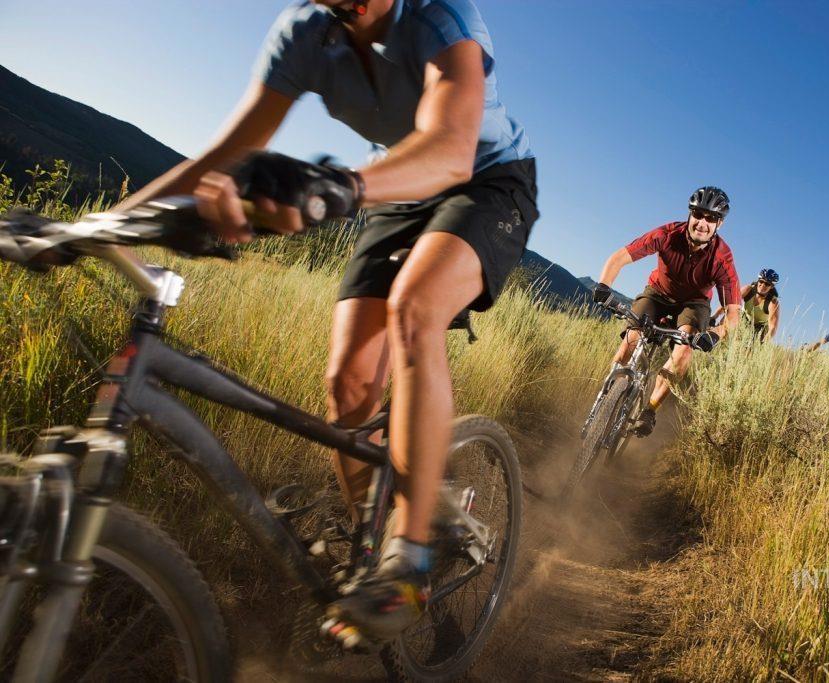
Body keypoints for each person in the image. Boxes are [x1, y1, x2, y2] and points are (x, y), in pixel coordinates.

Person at [113, 0, 538, 645]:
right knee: (348, 384)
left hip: (485, 182)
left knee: (414, 309)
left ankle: (408, 564)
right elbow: (228, 151)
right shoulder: (305, 33)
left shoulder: (439, 17)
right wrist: (102, 227)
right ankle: (371, 550)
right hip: (398, 191)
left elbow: (452, 151)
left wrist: (331, 186)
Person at [592, 186, 741, 437]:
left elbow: (734, 313)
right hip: (657, 292)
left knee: (683, 351)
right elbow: (620, 257)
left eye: (711, 218)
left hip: (694, 303)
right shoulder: (668, 234)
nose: (702, 223)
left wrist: (716, 333)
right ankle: (606, 396)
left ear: (719, 224)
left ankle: (649, 410)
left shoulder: (721, 258)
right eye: (698, 214)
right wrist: (603, 286)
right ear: (690, 214)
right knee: (632, 338)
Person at [714, 267, 780, 341]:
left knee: (750, 346)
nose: (763, 285)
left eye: (767, 284)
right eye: (761, 281)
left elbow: (773, 327)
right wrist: (715, 316)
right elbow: (730, 303)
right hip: (745, 319)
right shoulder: (748, 290)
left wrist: (765, 340)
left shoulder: (773, 302)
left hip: (760, 327)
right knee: (733, 311)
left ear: (772, 286)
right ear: (758, 281)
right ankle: (716, 337)